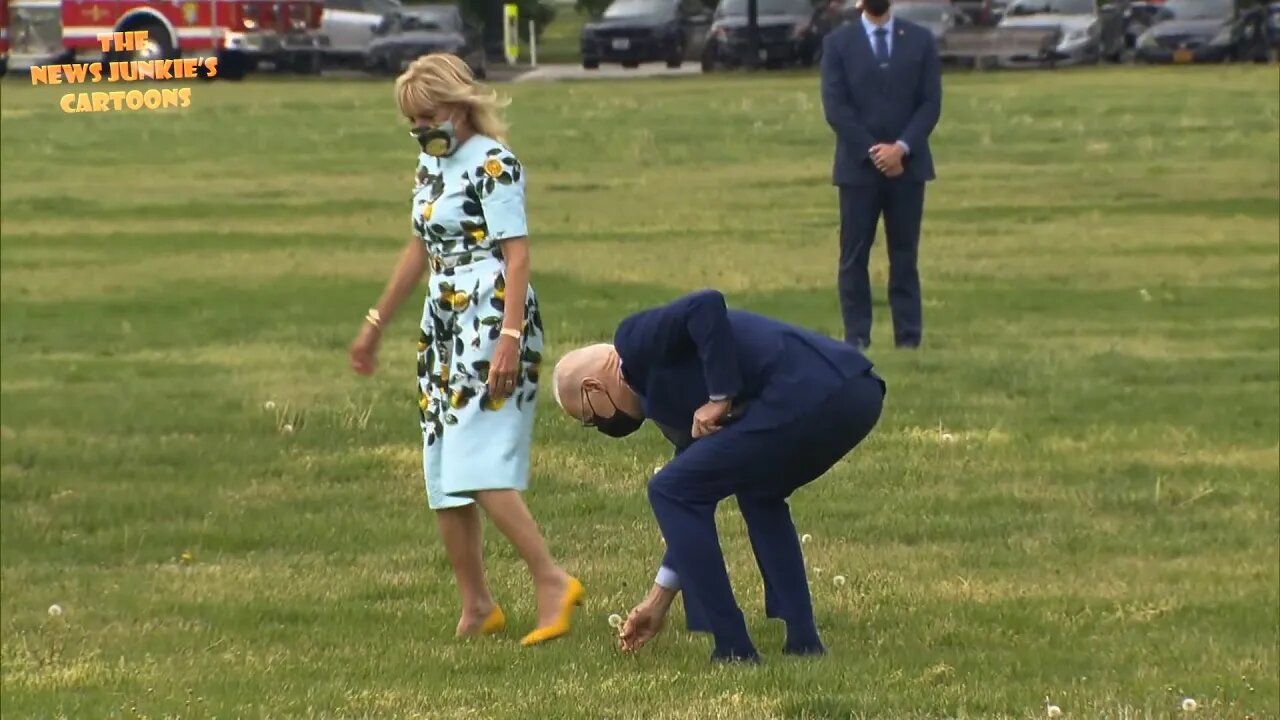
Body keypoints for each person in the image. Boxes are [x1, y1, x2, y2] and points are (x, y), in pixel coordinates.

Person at [349, 53, 583, 647]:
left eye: (429, 116)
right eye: (414, 122)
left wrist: (508, 341)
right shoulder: (431, 166)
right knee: (442, 471)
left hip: (490, 314)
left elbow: (518, 255)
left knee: (474, 462)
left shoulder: (495, 165)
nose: (423, 130)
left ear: (458, 105)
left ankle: (551, 579)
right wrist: (377, 322)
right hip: (443, 321)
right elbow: (419, 247)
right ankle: (477, 605)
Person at [550, 289, 886, 662]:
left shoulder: (632, 340)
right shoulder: (672, 402)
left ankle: (733, 648)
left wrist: (720, 396)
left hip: (813, 390)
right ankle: (803, 640)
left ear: (593, 388)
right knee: (757, 491)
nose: (600, 426)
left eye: (590, 419)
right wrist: (657, 600)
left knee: (669, 489)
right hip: (856, 394)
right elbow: (691, 512)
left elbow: (705, 304)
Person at [820, 0, 942, 350]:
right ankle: (856, 337)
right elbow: (836, 107)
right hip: (858, 170)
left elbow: (930, 103)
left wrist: (901, 148)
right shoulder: (838, 44)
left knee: (904, 255)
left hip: (908, 166)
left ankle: (908, 337)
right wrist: (875, 152)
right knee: (853, 256)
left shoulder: (920, 40)